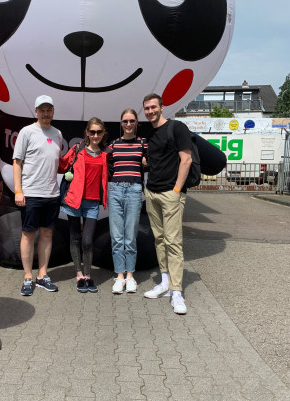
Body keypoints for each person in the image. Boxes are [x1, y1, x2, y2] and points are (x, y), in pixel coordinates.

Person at [142, 93, 192, 314]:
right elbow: (150, 160)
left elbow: (186, 159)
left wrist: (177, 190)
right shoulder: (150, 133)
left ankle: (177, 291)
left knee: (173, 242)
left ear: (162, 107)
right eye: (147, 108)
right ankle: (164, 281)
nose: (150, 111)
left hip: (171, 194)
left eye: (154, 107)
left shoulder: (177, 128)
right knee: (159, 239)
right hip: (151, 193)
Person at [13, 95, 62, 296]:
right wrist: (18, 190)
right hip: (31, 194)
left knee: (47, 235)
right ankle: (27, 277)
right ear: (35, 112)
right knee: (28, 235)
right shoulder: (27, 132)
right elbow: (17, 162)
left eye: (49, 110)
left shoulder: (58, 133)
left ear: (53, 111)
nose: (45, 114)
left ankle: (42, 275)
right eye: (41, 110)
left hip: (51, 194)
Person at [59, 118, 109, 293]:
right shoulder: (77, 149)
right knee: (75, 238)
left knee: (87, 241)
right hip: (74, 200)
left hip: (92, 203)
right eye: (92, 132)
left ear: (103, 134)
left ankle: (88, 275)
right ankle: (79, 275)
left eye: (99, 132)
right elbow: (61, 165)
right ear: (87, 132)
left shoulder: (105, 154)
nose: (95, 135)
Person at [107, 109, 146, 294]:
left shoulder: (142, 143)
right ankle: (119, 276)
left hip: (134, 190)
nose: (128, 124)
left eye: (131, 121)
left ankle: (130, 276)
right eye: (125, 121)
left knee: (130, 237)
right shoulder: (114, 144)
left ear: (137, 122)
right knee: (117, 237)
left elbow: (149, 162)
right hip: (115, 189)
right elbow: (104, 163)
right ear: (121, 123)